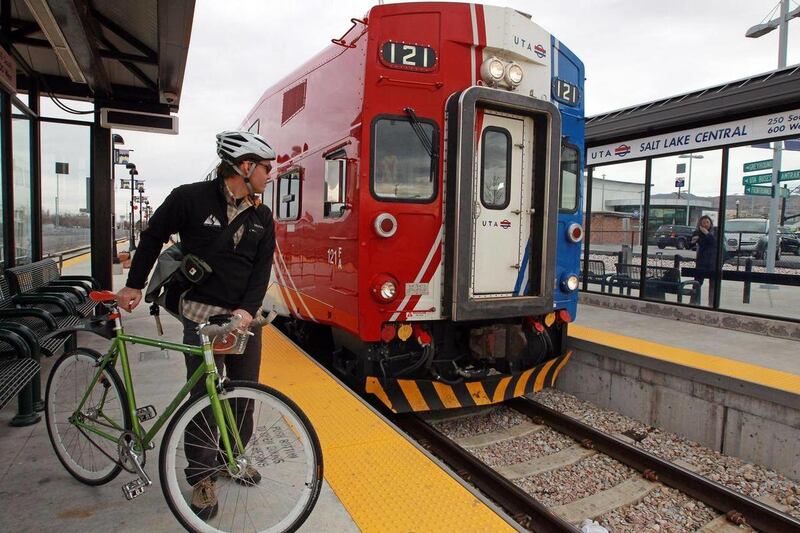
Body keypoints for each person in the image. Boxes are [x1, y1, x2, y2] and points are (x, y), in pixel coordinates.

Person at [116, 130, 276, 520]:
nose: (269, 175)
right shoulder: (189, 198)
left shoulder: (261, 216)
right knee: (205, 396)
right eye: (266, 168)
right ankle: (201, 477)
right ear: (245, 166)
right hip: (201, 315)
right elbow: (153, 237)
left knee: (243, 394)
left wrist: (245, 311)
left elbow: (261, 270)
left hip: (243, 319)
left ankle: (231, 458)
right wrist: (134, 284)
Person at [691, 215, 717, 306]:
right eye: (703, 223)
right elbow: (691, 245)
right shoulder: (697, 233)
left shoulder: (714, 233)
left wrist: (707, 233)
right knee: (697, 283)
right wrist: (693, 241)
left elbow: (714, 243)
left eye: (707, 222)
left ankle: (712, 304)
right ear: (700, 224)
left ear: (710, 223)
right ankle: (693, 303)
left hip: (713, 262)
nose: (705, 224)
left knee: (713, 285)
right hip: (701, 261)